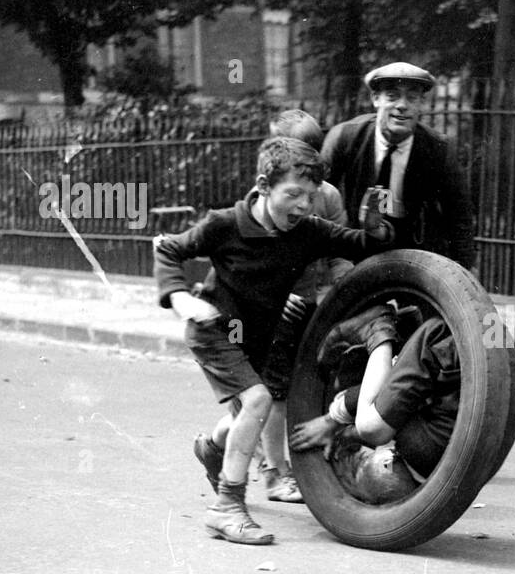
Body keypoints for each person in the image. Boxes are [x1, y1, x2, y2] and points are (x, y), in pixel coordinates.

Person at [155, 137, 393, 545]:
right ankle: (227, 508)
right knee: (258, 401)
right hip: (213, 330)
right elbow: (169, 250)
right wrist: (180, 299)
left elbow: (363, 245)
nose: (303, 206)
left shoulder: (308, 231)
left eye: (311, 196)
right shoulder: (224, 223)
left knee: (245, 414)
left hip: (257, 339)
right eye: (294, 194)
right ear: (264, 186)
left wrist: (375, 225)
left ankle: (213, 449)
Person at [252, 109, 348, 503]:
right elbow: (253, 259)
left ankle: (224, 448)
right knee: (275, 392)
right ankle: (275, 473)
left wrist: (343, 286)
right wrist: (278, 294)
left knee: (314, 384)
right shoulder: (268, 198)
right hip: (278, 309)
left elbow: (341, 249)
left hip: (316, 305)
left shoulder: (327, 196)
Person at [288, 304, 461, 504]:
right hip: (449, 358)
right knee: (373, 427)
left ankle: (378, 329)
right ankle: (383, 331)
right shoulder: (422, 451)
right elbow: (394, 392)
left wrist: (335, 419)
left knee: (374, 435)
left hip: (447, 372)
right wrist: (333, 419)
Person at [319, 62, 476, 272]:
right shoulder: (344, 138)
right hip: (356, 247)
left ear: (421, 103)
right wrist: (332, 262)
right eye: (392, 96)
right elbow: (318, 198)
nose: (402, 105)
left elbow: (459, 215)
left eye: (411, 98)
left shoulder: (439, 149)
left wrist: (464, 270)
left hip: (415, 253)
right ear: (375, 99)